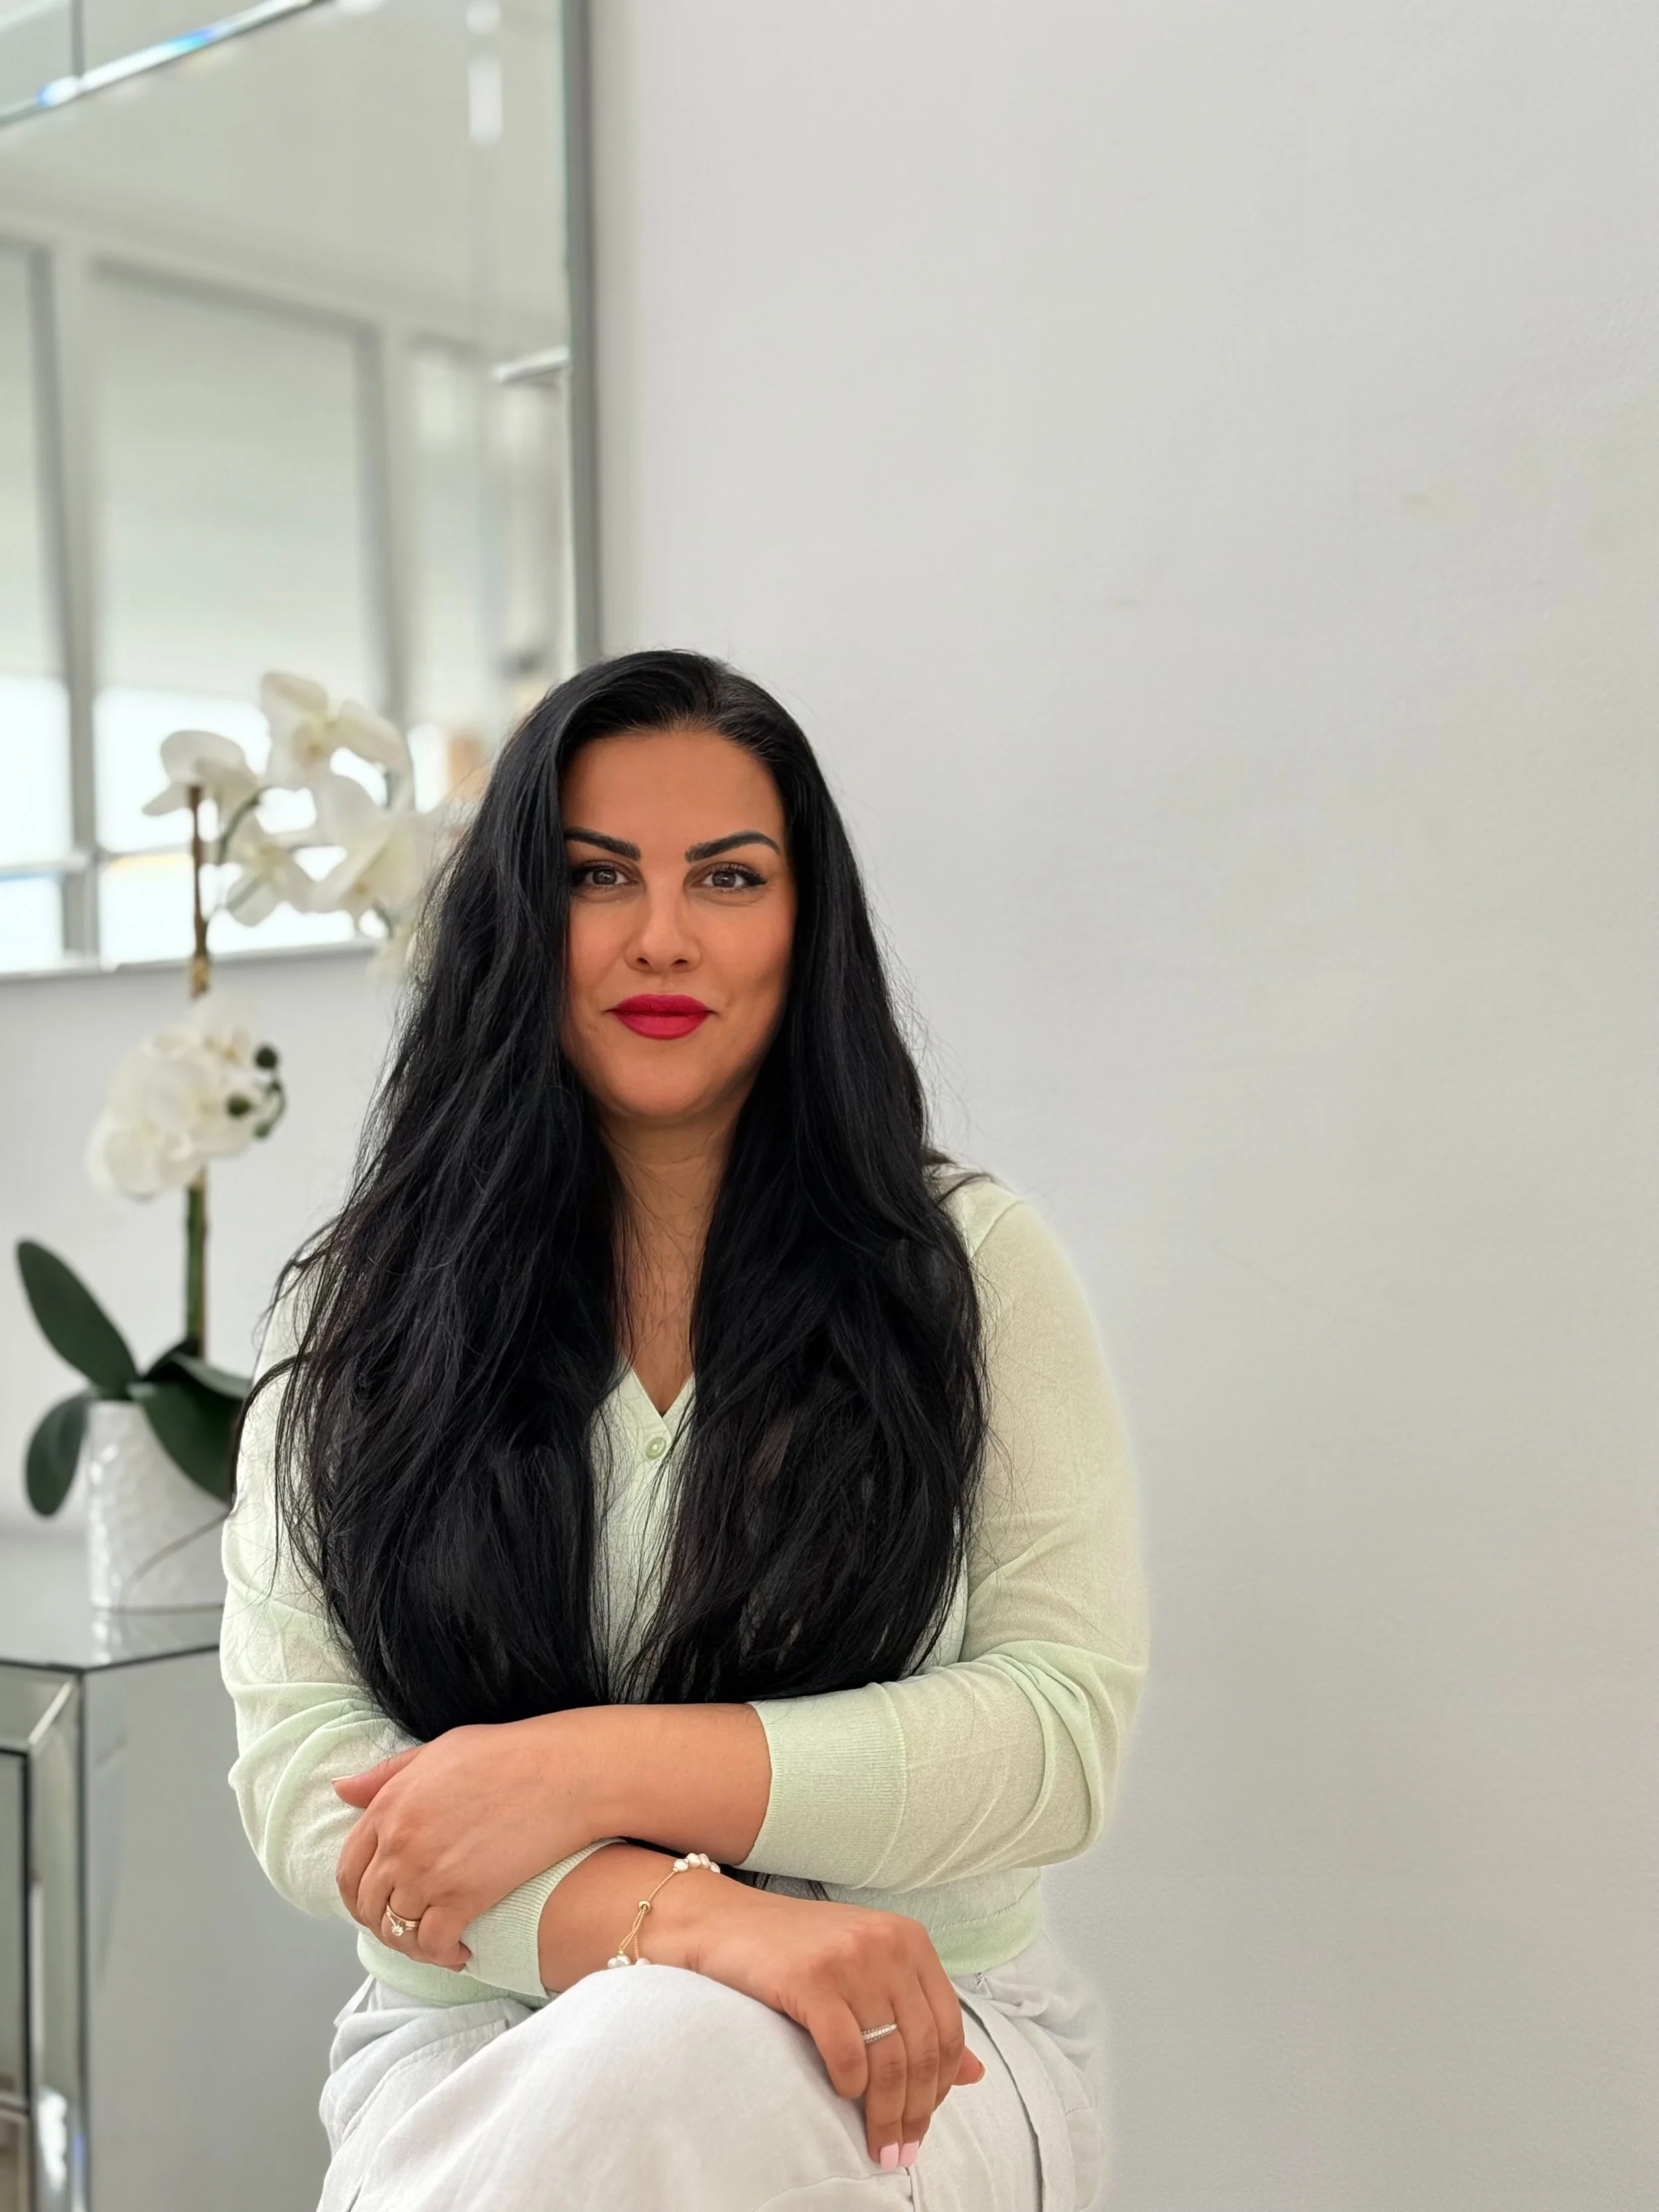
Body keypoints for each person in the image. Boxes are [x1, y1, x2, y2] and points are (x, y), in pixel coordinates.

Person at [220, 648, 1151, 2212]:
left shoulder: (967, 1271)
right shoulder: (368, 1309)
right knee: (661, 2045)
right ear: (521, 918)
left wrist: (583, 1774)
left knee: (675, 2057)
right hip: (476, 2052)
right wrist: (703, 1922)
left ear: (804, 921)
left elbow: (1055, 1734)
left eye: (727, 875)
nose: (662, 935)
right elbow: (311, 1780)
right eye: (597, 876)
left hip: (922, 2044)